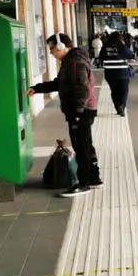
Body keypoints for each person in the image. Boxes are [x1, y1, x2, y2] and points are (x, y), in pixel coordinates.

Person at [27, 33, 102, 197]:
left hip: (80, 111)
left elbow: (81, 88)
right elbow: (59, 83)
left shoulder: (75, 62)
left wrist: (77, 112)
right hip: (84, 110)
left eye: (52, 49)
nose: (51, 53)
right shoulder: (71, 61)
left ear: (61, 47)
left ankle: (83, 183)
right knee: (86, 144)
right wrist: (38, 88)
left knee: (80, 146)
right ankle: (94, 178)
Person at [99, 31, 134, 116]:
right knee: (124, 91)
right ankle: (122, 105)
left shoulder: (105, 47)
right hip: (122, 73)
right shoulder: (122, 47)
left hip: (110, 74)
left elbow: (101, 57)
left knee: (114, 91)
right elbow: (131, 55)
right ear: (120, 38)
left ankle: (118, 107)